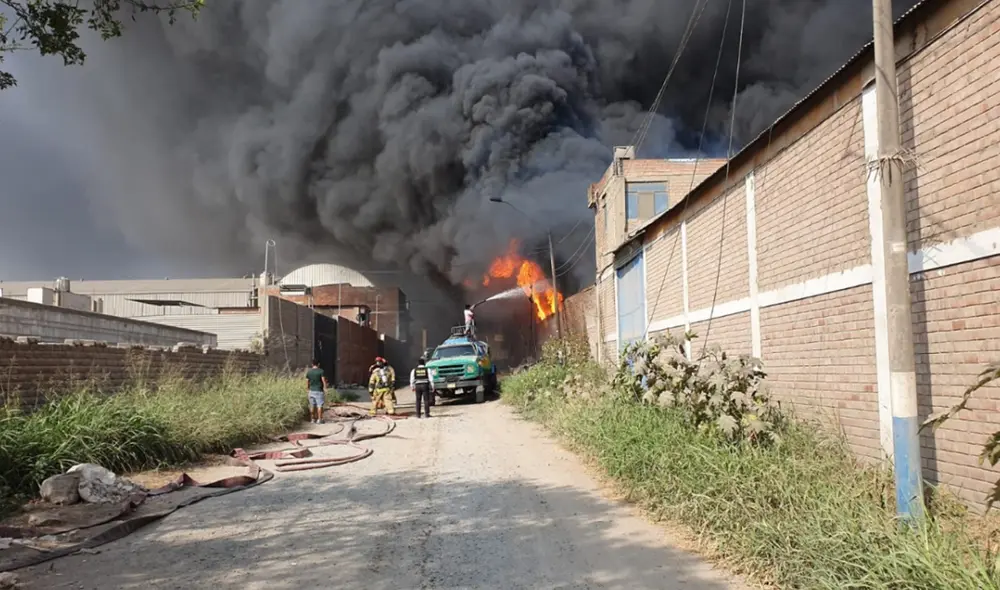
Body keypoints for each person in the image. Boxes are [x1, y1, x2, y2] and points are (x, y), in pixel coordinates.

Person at [305, 359, 328, 425]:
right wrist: (325, 388)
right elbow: (323, 380)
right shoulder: (321, 371)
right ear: (318, 364)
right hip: (319, 391)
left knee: (312, 405)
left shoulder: (309, 372)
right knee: (319, 405)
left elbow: (307, 382)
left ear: (312, 364)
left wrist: (307, 389)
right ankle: (319, 419)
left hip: (311, 391)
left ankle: (312, 419)